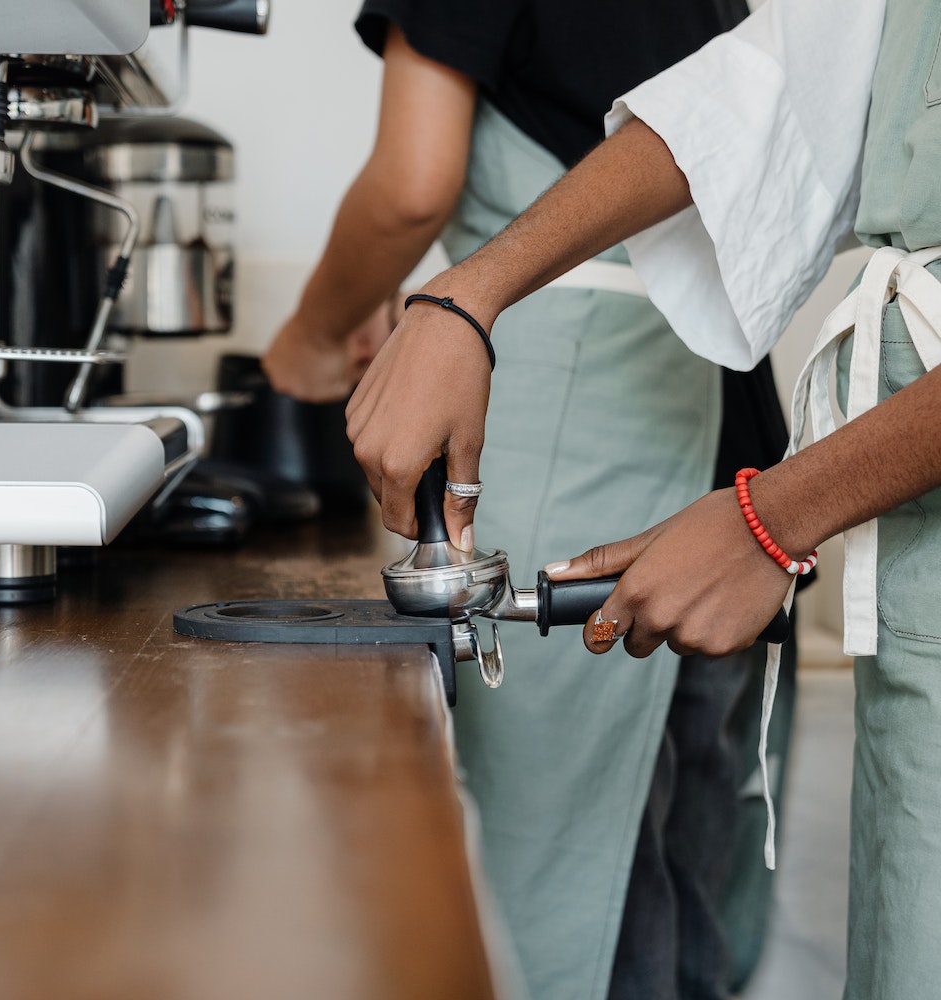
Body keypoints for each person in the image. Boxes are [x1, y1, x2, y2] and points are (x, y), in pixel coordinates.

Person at [345, 0, 941, 995]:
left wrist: (774, 517)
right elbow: (759, 94)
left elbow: (409, 182)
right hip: (825, 485)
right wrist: (465, 294)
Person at [264, 4, 794, 998]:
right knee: (680, 881)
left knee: (572, 886)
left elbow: (409, 188)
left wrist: (307, 340)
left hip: (577, 416)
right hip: (730, 441)